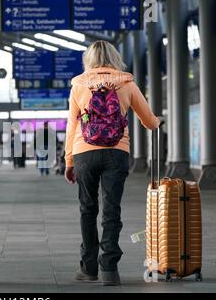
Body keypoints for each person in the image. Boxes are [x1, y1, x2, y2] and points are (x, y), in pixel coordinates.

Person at [64, 40, 160, 286]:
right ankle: (109, 269)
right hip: (117, 151)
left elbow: (72, 125)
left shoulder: (79, 85)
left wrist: (69, 160)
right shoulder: (126, 83)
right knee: (111, 209)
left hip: (84, 152)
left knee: (87, 208)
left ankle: (88, 268)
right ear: (115, 57)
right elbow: (148, 120)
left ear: (90, 59)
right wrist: (157, 123)